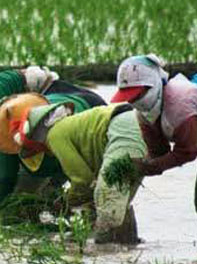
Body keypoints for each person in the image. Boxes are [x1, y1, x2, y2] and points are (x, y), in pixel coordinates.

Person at [111, 55, 197, 258]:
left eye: (137, 95)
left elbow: (188, 151)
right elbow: (159, 152)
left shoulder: (180, 104)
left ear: (153, 86)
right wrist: (140, 164)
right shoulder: (144, 113)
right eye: (130, 98)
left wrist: (153, 166)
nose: (134, 101)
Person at [11, 100, 146, 243]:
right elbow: (90, 183)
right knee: (119, 205)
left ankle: (104, 251)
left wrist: (67, 201)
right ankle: (126, 251)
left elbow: (82, 180)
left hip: (124, 132)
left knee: (108, 210)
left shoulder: (55, 135)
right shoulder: (71, 126)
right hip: (139, 126)